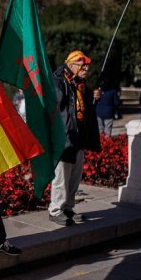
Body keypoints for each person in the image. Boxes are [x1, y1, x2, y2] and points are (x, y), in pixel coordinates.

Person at [48, 50, 101, 226]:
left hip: (79, 136)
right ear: (71, 65)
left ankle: (68, 208)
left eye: (87, 66)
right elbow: (59, 104)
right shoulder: (59, 80)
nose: (86, 68)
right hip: (65, 136)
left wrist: (93, 98)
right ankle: (56, 210)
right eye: (82, 65)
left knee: (75, 176)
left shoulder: (80, 83)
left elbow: (83, 109)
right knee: (61, 176)